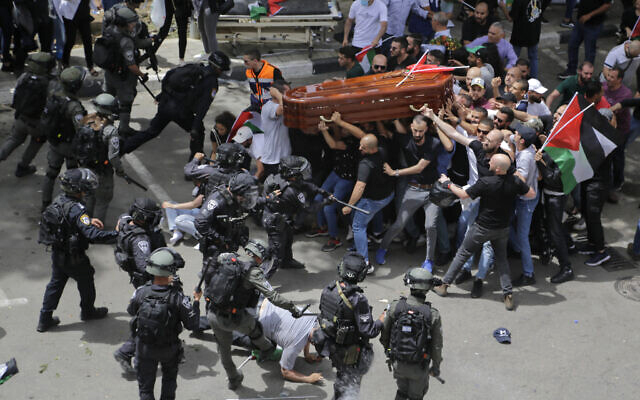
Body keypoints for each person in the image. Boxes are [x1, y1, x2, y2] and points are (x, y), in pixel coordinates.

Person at [434, 153, 535, 310]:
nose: (489, 162)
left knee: (462, 254)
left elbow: (462, 194)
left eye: (492, 162)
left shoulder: (486, 182)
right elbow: (531, 194)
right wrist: (518, 179)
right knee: (502, 260)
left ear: (498, 168)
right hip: (502, 229)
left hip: (482, 228)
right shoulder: (514, 182)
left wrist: (447, 183)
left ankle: (444, 285)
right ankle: (508, 294)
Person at [205, 252, 303, 390]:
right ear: (259, 258)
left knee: (223, 350)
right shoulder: (252, 272)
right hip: (235, 318)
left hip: (213, 313)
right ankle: (267, 349)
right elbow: (273, 296)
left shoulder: (226, 260)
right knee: (255, 329)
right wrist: (292, 308)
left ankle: (233, 378)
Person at [37, 168, 118, 332]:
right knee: (86, 280)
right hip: (75, 257)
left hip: (58, 253)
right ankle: (88, 311)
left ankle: (44, 319)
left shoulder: (59, 200)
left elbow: (68, 221)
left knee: (55, 284)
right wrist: (118, 235)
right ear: (77, 189)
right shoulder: (78, 209)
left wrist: (88, 221)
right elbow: (93, 235)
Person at [376, 112, 454, 271]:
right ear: (411, 127)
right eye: (415, 130)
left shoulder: (433, 143)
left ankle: (429, 261)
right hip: (414, 189)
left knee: (430, 226)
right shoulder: (405, 139)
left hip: (433, 191)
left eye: (421, 131)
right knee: (399, 223)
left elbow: (422, 165)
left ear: (427, 129)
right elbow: (390, 130)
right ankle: (382, 248)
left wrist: (395, 173)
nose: (418, 134)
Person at [122, 51, 230, 158]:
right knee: (199, 132)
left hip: (165, 104)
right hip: (181, 112)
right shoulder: (211, 82)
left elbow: (170, 79)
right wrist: (195, 128)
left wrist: (162, 95)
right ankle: (194, 165)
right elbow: (203, 106)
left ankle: (121, 150)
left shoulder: (194, 68)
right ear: (218, 69)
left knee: (151, 132)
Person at [128, 248, 200, 400]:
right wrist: (197, 301)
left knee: (145, 390)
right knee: (169, 383)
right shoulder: (178, 297)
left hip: (144, 348)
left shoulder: (141, 291)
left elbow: (131, 310)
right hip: (169, 349)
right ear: (171, 271)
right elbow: (192, 324)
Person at [313, 252, 384, 400]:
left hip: (332, 346)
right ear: (361, 275)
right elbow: (369, 330)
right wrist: (382, 319)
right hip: (350, 352)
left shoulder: (329, 289)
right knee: (350, 385)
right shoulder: (358, 299)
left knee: (341, 378)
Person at [113, 198, 166, 374]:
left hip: (136, 278)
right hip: (146, 282)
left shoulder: (125, 219)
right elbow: (146, 267)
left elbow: (119, 225)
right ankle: (126, 352)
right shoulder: (141, 240)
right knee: (150, 319)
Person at [380, 267, 443, 400]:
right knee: (416, 396)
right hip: (419, 367)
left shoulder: (396, 307)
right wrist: (435, 367)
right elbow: (436, 346)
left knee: (402, 391)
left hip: (398, 363)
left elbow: (384, 335)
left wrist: (389, 351)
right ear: (427, 289)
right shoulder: (432, 314)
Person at [261, 156, 329, 276]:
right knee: (275, 252)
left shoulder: (279, 177)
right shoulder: (291, 192)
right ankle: (262, 279)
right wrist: (325, 202)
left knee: (288, 238)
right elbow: (308, 209)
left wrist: (320, 191)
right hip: (274, 221)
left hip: (280, 217)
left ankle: (287, 262)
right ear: (292, 174)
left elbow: (304, 184)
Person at [309, 113, 363, 251]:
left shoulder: (354, 143)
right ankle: (323, 227)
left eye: (345, 127)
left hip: (346, 178)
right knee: (318, 198)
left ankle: (334, 238)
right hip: (336, 172)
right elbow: (338, 137)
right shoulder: (345, 136)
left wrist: (325, 130)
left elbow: (333, 144)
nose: (342, 129)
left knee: (329, 208)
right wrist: (335, 124)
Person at [343, 134, 394, 272]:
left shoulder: (365, 164)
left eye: (363, 147)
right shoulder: (382, 150)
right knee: (372, 213)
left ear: (371, 149)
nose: (359, 148)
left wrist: (349, 206)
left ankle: (365, 263)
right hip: (387, 195)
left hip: (373, 199)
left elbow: (360, 186)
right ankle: (376, 234)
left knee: (358, 226)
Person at [0, 52, 55, 177]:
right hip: (37, 123)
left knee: (14, 139)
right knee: (37, 142)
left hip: (21, 118)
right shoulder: (49, 83)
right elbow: (52, 105)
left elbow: (16, 96)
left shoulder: (24, 77)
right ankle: (23, 166)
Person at [41, 67, 87, 211]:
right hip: (69, 145)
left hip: (54, 141)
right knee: (72, 175)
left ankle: (45, 204)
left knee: (51, 173)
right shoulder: (74, 106)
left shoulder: (54, 93)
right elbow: (82, 129)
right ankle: (71, 206)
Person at [74, 93, 125, 221]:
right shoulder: (110, 131)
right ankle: (97, 230)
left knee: (88, 197)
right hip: (102, 171)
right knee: (102, 200)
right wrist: (120, 170)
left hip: (85, 168)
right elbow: (113, 156)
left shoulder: (86, 120)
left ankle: (85, 225)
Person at [534, 132, 575, 284]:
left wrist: (539, 162)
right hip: (549, 196)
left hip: (556, 198)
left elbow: (551, 178)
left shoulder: (567, 158)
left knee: (555, 230)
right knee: (554, 226)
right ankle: (569, 245)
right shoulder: (553, 150)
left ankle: (567, 267)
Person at [102, 6, 147, 135]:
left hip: (109, 73)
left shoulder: (109, 30)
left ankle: (105, 126)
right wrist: (142, 74)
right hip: (122, 76)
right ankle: (124, 128)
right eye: (131, 22)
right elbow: (131, 65)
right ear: (124, 24)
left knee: (108, 100)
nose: (134, 24)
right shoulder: (125, 41)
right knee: (126, 101)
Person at [194, 171, 258, 261]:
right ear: (238, 191)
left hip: (230, 241)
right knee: (213, 272)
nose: (246, 199)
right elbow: (200, 222)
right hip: (216, 248)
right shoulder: (218, 200)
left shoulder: (236, 198)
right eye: (244, 196)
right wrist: (219, 239)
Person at [507, 125, 539, 286]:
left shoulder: (526, 156)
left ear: (523, 140)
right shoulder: (527, 145)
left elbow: (521, 180)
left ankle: (528, 273)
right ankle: (517, 248)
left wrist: (508, 166)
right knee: (508, 222)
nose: (514, 134)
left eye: (517, 134)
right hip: (524, 198)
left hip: (526, 200)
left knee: (522, 236)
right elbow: (507, 135)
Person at [558, 0, 613, 79]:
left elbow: (607, 5)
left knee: (589, 51)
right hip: (580, 21)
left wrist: (589, 15)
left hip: (593, 24)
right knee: (572, 45)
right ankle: (571, 70)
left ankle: (586, 76)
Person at [260, 80, 292, 178]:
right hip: (272, 159)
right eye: (287, 92)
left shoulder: (286, 105)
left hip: (284, 157)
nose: (290, 95)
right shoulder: (269, 107)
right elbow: (280, 110)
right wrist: (278, 95)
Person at [61, 0, 96, 74]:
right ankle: (65, 63)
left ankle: (90, 65)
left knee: (87, 40)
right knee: (70, 40)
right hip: (71, 14)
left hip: (84, 12)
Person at [509, 0, 542, 78]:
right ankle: (534, 80)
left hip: (519, 33)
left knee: (513, 57)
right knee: (533, 57)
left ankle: (511, 78)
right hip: (534, 32)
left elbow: (513, 15)